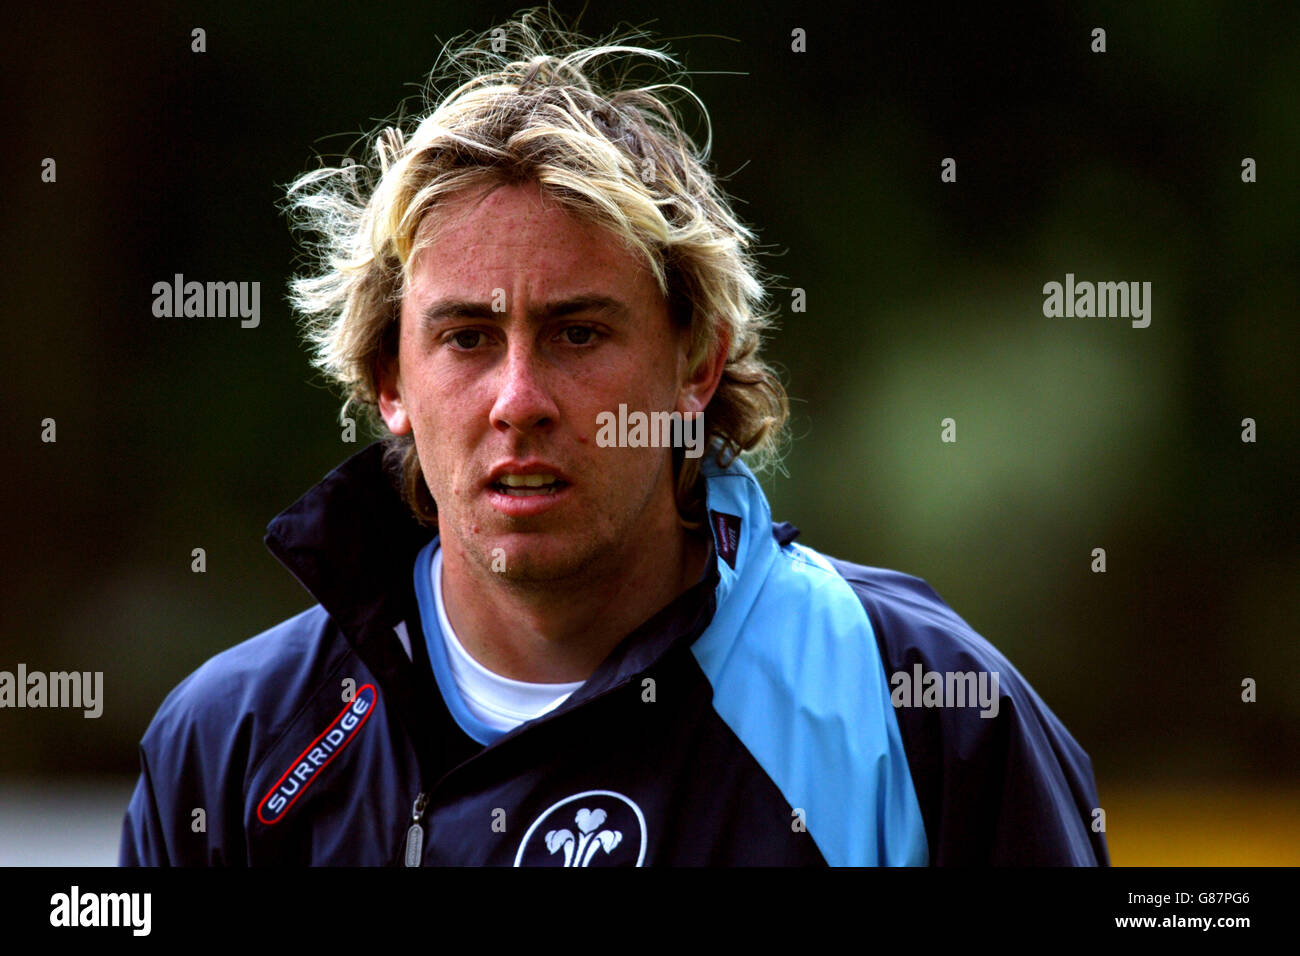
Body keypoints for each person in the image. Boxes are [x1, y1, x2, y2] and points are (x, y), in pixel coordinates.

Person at [119, 10, 1108, 866]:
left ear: (697, 363)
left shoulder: (918, 708)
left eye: (577, 332)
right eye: (465, 336)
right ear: (389, 379)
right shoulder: (236, 745)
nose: (519, 398)